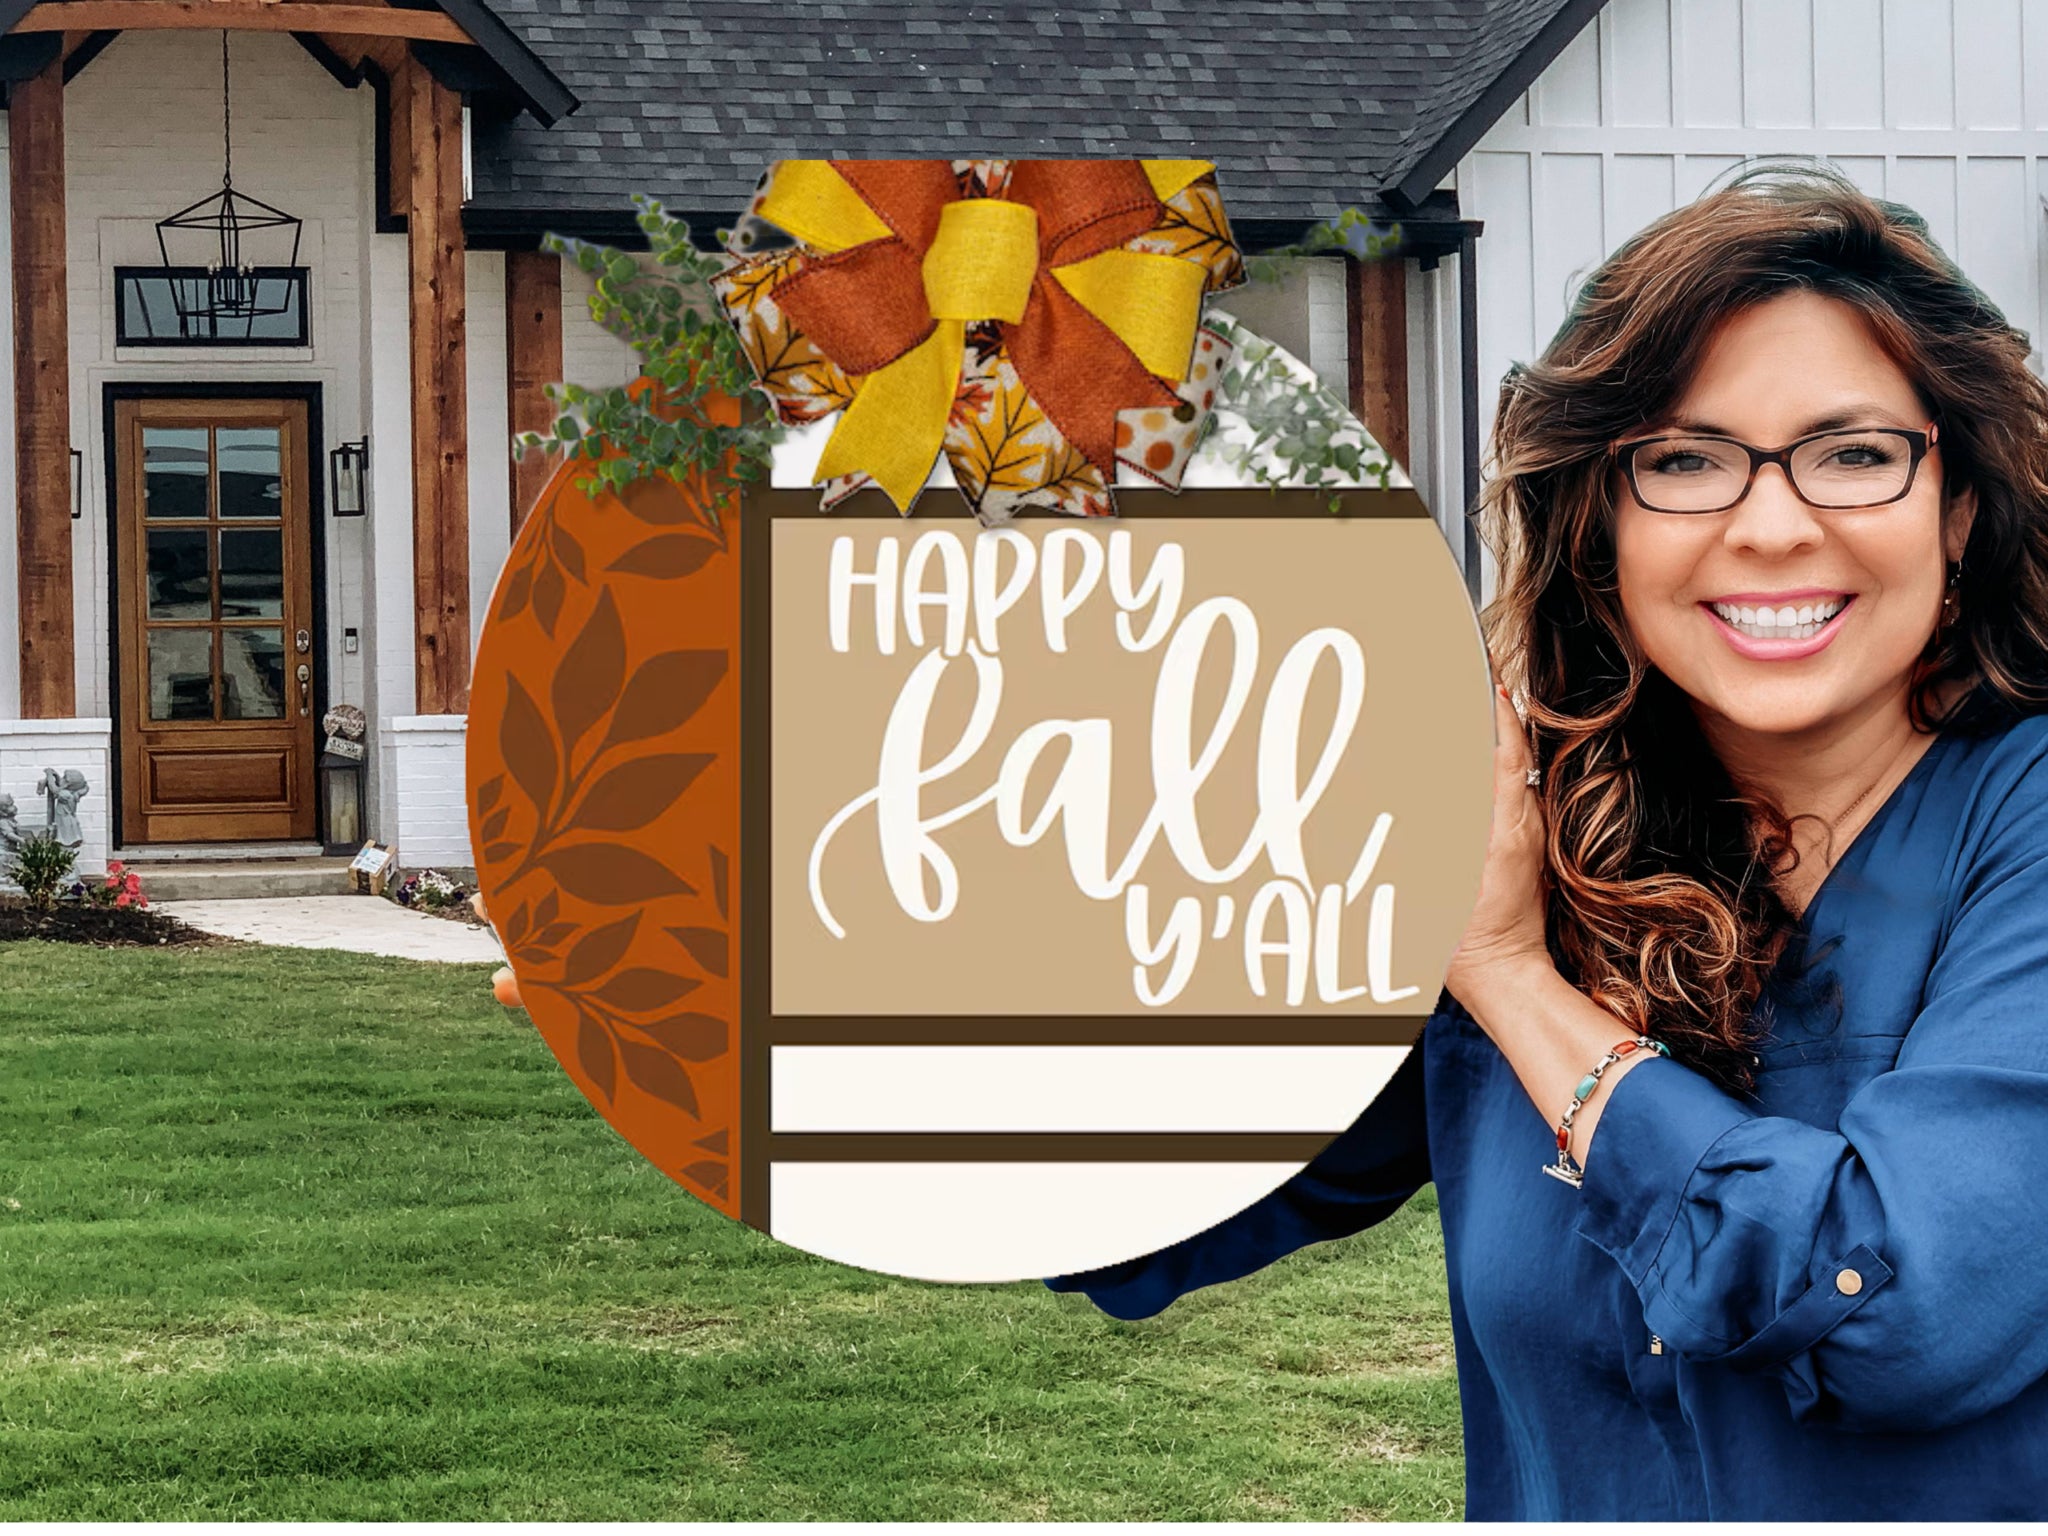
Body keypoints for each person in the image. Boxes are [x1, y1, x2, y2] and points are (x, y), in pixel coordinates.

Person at [1046, 162, 2048, 1520]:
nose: (1769, 526)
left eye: (1854, 453)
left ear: (1961, 505)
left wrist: (1514, 980)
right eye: (1684, 461)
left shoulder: (2016, 828)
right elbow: (1129, 1198)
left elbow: (1901, 1309)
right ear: (1601, 524)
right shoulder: (1526, 831)